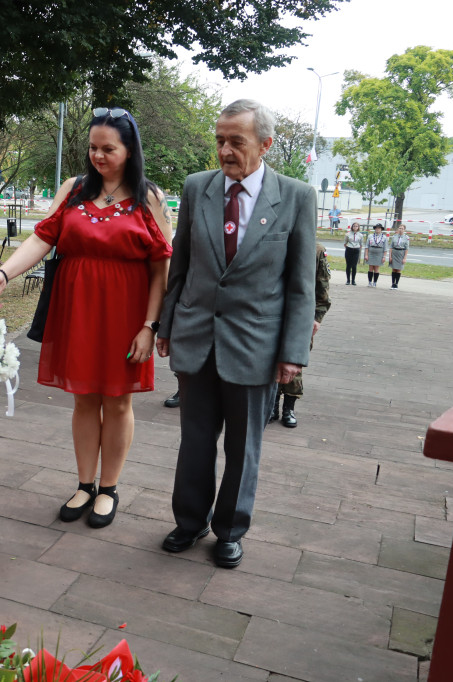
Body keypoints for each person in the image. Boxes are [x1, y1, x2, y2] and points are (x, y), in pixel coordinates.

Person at [0, 106, 173, 529]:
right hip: (79, 309)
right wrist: (2, 274)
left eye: (109, 149)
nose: (98, 156)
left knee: (118, 400)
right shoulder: (73, 189)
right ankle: (84, 484)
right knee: (84, 398)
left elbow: (161, 266)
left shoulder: (149, 197)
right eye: (93, 147)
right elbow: (42, 237)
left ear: (130, 150)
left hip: (126, 311)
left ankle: (109, 488)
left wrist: (150, 325)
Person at [154, 99, 316, 569]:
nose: (225, 150)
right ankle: (189, 522)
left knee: (244, 448)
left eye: (236, 142)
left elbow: (300, 286)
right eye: (220, 140)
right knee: (195, 440)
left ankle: (229, 529)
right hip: (197, 338)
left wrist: (293, 354)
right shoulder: (196, 188)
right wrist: (167, 324)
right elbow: (180, 264)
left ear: (264, 145)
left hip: (256, 346)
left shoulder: (296, 197)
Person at [270, 243, 331, 428]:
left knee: (294, 361)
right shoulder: (274, 243)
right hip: (272, 313)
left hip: (301, 316)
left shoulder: (316, 249)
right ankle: (272, 406)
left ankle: (289, 407)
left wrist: (317, 317)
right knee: (271, 359)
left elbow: (322, 287)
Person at [364, 222, 387, 287]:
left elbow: (385, 248)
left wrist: (384, 257)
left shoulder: (384, 237)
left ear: (381, 229)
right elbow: (367, 246)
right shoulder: (370, 236)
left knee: (376, 268)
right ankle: (370, 282)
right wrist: (366, 255)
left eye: (379, 228)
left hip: (379, 252)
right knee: (370, 267)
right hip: (371, 252)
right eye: (376, 228)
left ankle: (375, 282)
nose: (377, 229)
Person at [388, 223, 409, 289]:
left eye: (402, 229)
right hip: (394, 252)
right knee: (394, 269)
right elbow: (391, 247)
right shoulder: (394, 236)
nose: (400, 230)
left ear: (404, 230)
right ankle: (393, 283)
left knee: (398, 269)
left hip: (401, 253)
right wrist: (390, 256)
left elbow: (407, 248)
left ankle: (396, 283)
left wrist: (405, 258)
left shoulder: (406, 238)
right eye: (399, 228)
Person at [343, 220, 363, 285]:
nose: (355, 227)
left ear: (358, 227)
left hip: (356, 250)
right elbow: (345, 243)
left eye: (356, 226)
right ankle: (348, 280)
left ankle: (353, 280)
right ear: (352, 227)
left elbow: (361, 244)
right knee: (348, 265)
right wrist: (348, 247)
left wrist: (358, 249)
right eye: (354, 226)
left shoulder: (360, 235)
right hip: (349, 249)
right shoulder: (348, 234)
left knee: (354, 266)